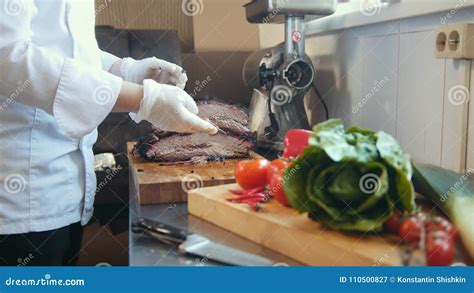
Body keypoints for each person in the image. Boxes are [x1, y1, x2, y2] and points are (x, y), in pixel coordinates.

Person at [0, 0, 217, 266]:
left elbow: (69, 48)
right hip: (17, 192)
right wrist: (142, 98)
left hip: (64, 188)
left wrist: (124, 70)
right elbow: (8, 56)